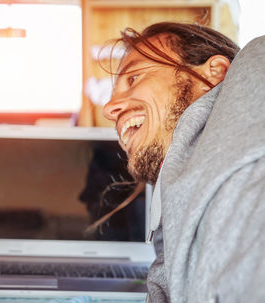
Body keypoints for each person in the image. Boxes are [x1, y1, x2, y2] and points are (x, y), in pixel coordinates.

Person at [102, 22, 264, 302]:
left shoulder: (250, 173)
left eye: (133, 78)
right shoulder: (174, 217)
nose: (108, 108)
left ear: (215, 74)